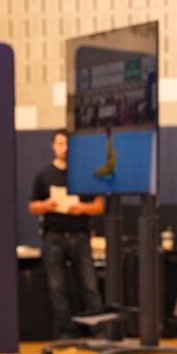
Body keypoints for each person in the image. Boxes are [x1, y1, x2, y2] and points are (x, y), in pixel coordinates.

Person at [27, 129, 105, 339]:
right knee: (57, 287)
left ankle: (98, 331)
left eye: (67, 144)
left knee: (89, 285)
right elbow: (32, 207)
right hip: (54, 237)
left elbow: (99, 206)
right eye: (60, 144)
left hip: (80, 235)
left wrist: (81, 208)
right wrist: (48, 205)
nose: (64, 148)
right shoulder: (44, 175)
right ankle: (64, 332)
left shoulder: (84, 173)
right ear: (54, 146)